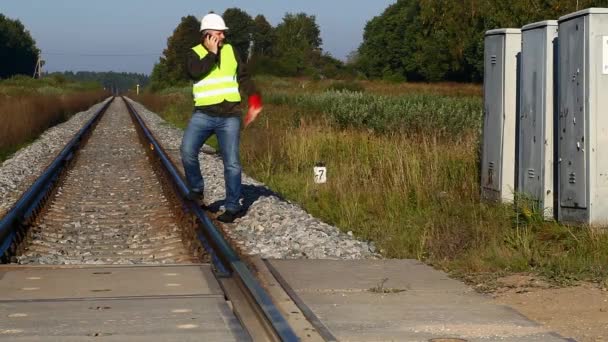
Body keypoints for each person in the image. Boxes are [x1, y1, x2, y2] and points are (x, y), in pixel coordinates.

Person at [181, 12, 263, 223]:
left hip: (230, 116)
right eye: (219, 33)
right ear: (207, 35)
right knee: (187, 150)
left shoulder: (231, 52)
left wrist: (255, 100)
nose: (223, 37)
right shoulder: (193, 54)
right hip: (203, 115)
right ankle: (197, 189)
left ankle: (233, 206)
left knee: (232, 162)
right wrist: (211, 53)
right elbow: (195, 73)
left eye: (223, 33)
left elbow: (244, 77)